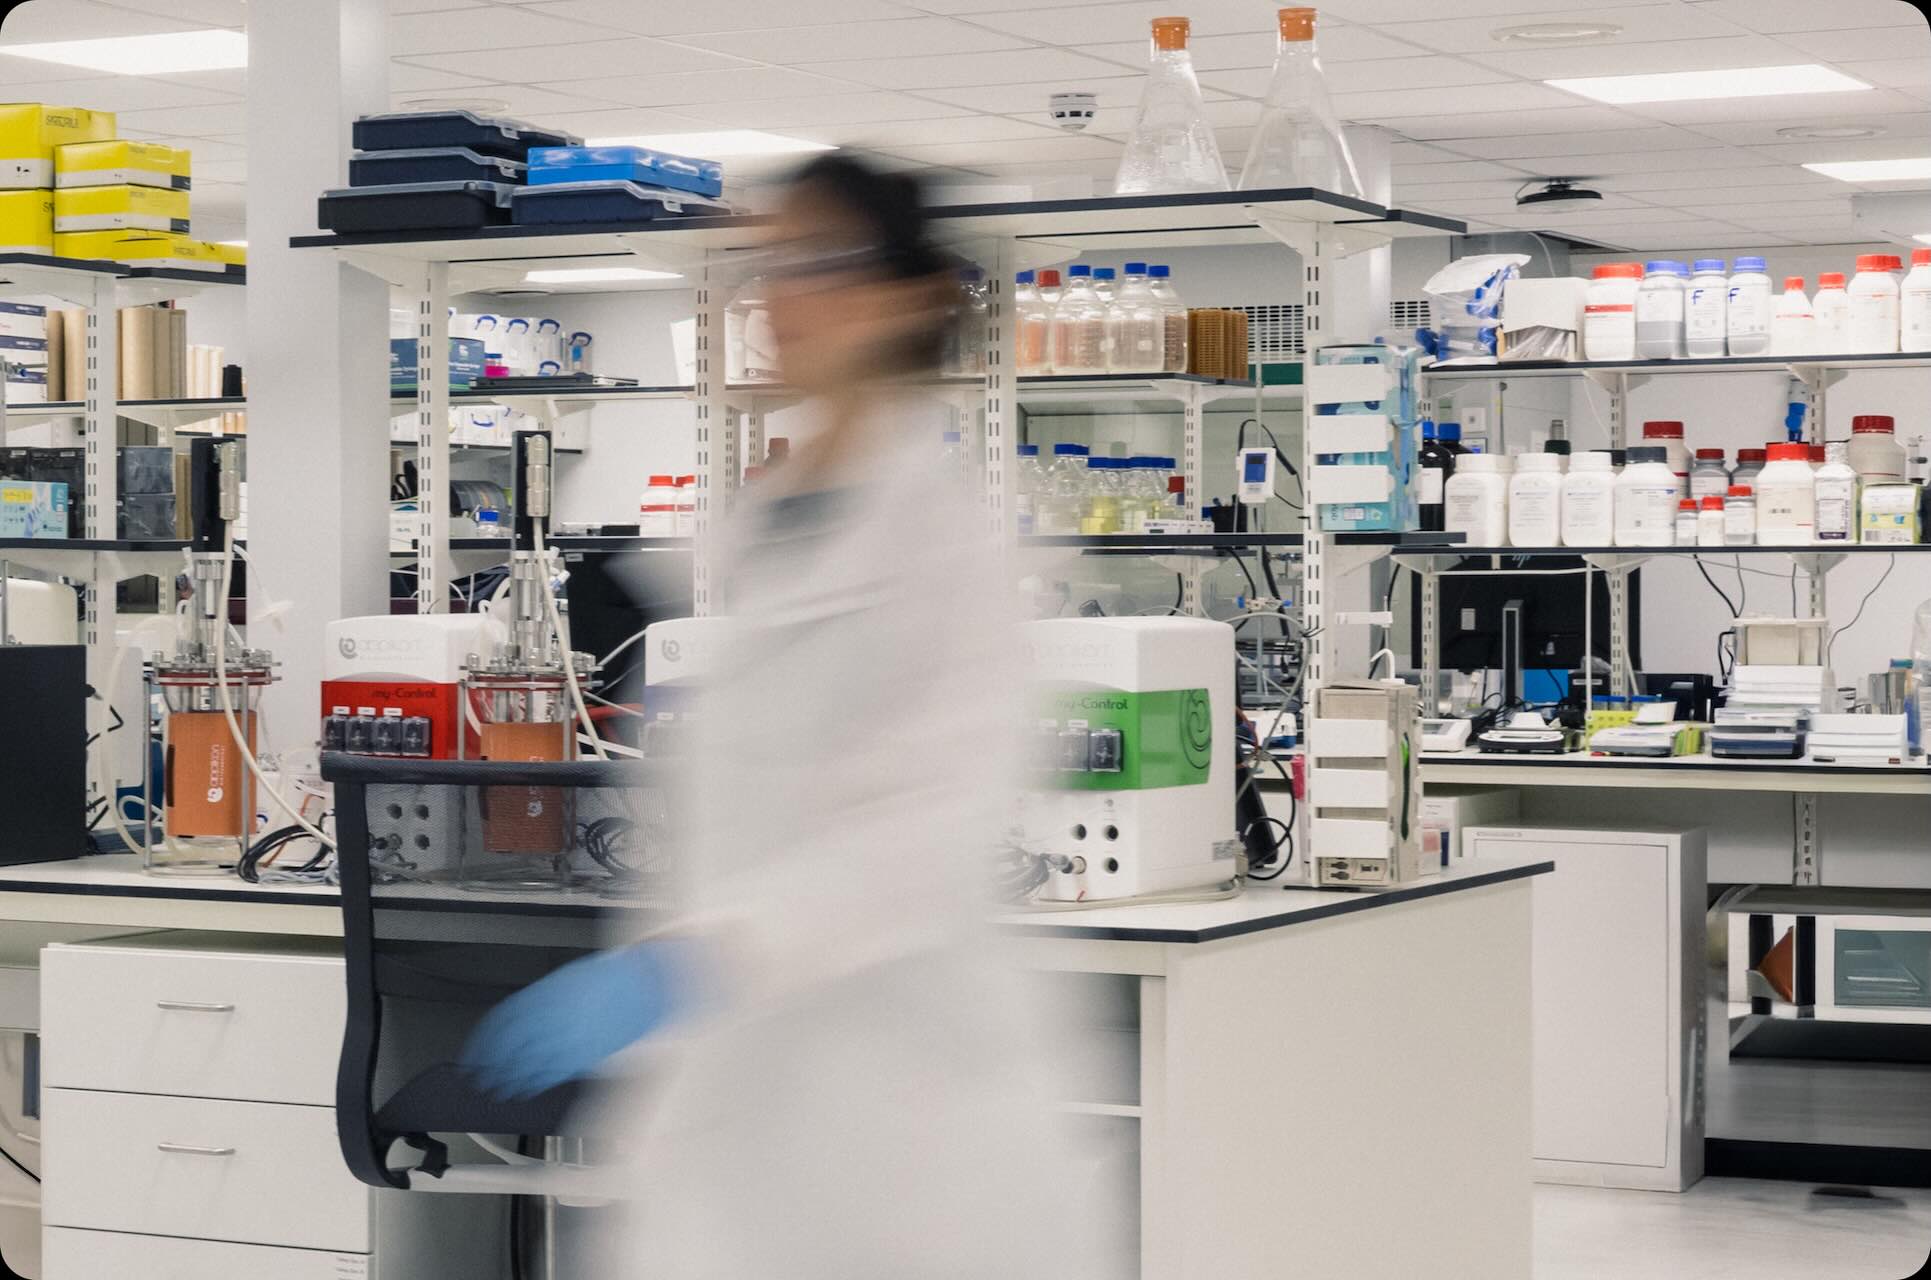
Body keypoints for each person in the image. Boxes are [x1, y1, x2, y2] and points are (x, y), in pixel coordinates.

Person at [462, 155, 1120, 1278]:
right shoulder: (761, 518)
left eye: (816, 262)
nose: (776, 295)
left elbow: (921, 833)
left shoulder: (953, 549)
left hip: (898, 1095)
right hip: (744, 1079)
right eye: (765, 265)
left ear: (905, 298)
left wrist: (694, 964)